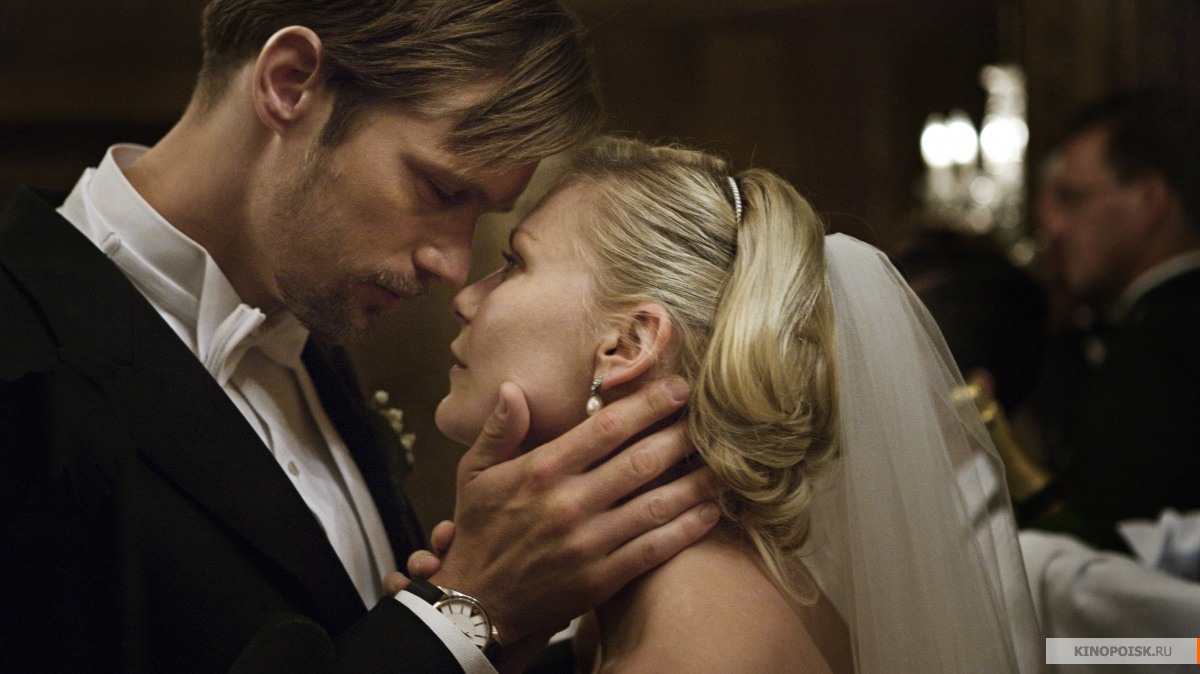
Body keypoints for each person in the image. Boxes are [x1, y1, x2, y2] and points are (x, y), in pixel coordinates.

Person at [0, 2, 722, 672]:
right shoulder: (22, 345)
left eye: (481, 217)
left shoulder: (313, 347)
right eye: (441, 191)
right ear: (290, 84)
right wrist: (467, 608)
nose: (453, 266)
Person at [429, 136, 1042, 672]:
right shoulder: (648, 610)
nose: (465, 298)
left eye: (514, 262)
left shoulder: (685, 655)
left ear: (629, 344)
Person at [1037, 88, 1200, 543]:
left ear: (1149, 200)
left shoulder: (1155, 357)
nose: (1055, 227)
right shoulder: (1130, 332)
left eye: (1073, 199)